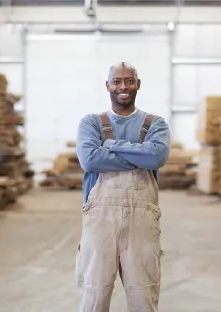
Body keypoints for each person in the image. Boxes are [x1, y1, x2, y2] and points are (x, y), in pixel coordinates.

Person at [75, 62, 171, 312]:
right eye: (117, 81)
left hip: (142, 220)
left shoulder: (156, 123)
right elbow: (90, 160)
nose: (123, 87)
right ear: (107, 86)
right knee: (94, 294)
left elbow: (156, 157)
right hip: (100, 220)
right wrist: (139, 155)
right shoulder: (91, 123)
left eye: (129, 81)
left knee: (143, 297)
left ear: (138, 85)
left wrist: (111, 144)